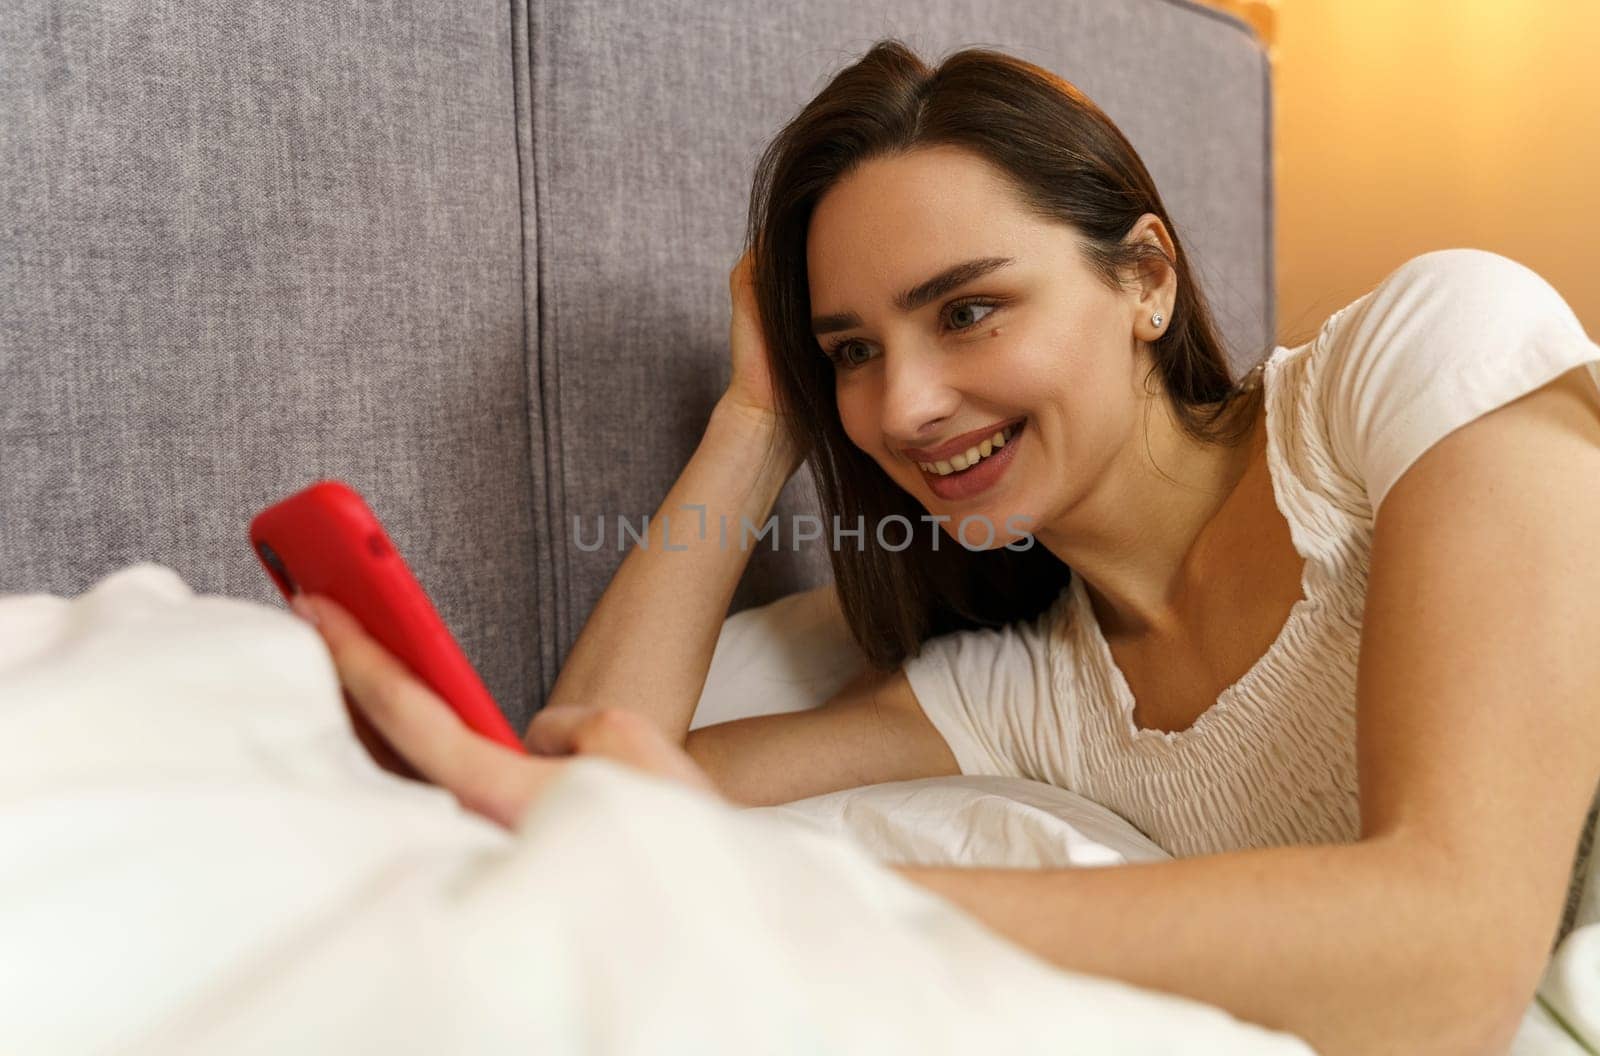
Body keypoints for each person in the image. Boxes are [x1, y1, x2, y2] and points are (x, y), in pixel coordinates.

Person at [289, 39, 1600, 1056]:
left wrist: (774, 895)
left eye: (967, 309)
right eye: (853, 351)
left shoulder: (1419, 362)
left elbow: (1453, 968)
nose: (902, 408)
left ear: (1146, 278)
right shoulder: (1028, 692)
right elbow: (598, 784)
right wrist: (758, 418)